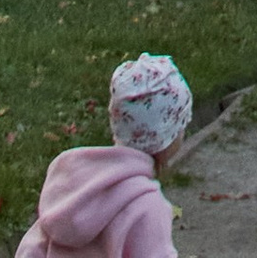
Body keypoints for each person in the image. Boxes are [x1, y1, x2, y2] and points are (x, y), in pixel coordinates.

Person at [14, 52, 192, 258]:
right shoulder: (147, 206)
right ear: (167, 135)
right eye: (183, 124)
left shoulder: (72, 180)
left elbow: (33, 247)